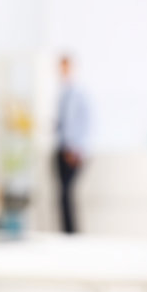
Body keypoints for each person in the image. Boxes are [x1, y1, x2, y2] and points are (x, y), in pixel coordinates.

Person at [55, 56, 89, 234]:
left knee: (67, 193)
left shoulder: (79, 94)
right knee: (62, 195)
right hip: (61, 148)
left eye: (65, 68)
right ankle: (66, 232)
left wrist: (75, 148)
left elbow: (85, 124)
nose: (63, 72)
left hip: (72, 150)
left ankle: (71, 233)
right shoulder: (62, 93)